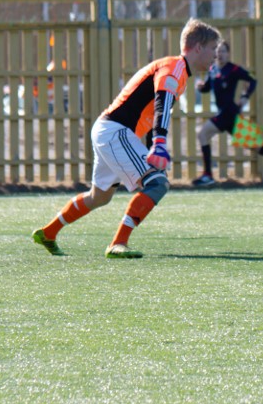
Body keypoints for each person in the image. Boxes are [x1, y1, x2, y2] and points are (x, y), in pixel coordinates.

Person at [31, 18, 221, 259]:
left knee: (99, 197)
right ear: (198, 47)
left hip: (110, 130)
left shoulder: (178, 71)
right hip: (115, 131)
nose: (215, 55)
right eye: (213, 48)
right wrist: (159, 144)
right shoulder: (175, 67)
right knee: (158, 183)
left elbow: (153, 112)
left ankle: (48, 232)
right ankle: (118, 243)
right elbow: (162, 103)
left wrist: (154, 145)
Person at [191, 40, 263, 186]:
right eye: (217, 51)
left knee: (203, 134)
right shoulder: (213, 69)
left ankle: (208, 175)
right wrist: (201, 87)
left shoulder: (233, 69)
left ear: (228, 53)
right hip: (228, 115)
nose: (220, 54)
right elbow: (208, 87)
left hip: (229, 113)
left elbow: (253, 81)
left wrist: (245, 97)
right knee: (254, 145)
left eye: (223, 51)